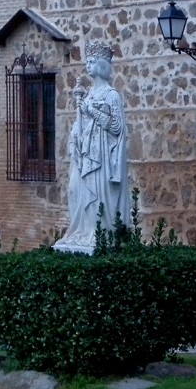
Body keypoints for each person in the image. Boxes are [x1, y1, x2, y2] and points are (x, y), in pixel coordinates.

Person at [54, 40, 130, 254]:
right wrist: (73, 139)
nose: (88, 65)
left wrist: (91, 111)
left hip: (103, 156)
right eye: (87, 61)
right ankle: (84, 230)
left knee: (98, 195)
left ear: (102, 65)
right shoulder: (88, 94)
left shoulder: (112, 95)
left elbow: (116, 127)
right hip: (86, 152)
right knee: (75, 189)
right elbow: (80, 124)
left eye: (92, 61)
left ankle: (100, 232)